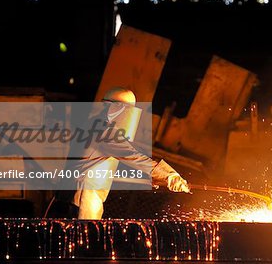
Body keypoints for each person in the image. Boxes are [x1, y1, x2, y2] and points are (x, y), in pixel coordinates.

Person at [52, 87, 190, 219]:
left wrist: (152, 178)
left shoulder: (95, 124)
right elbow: (132, 156)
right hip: (80, 199)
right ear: (115, 108)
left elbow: (107, 165)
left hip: (75, 196)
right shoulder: (104, 130)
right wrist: (169, 175)